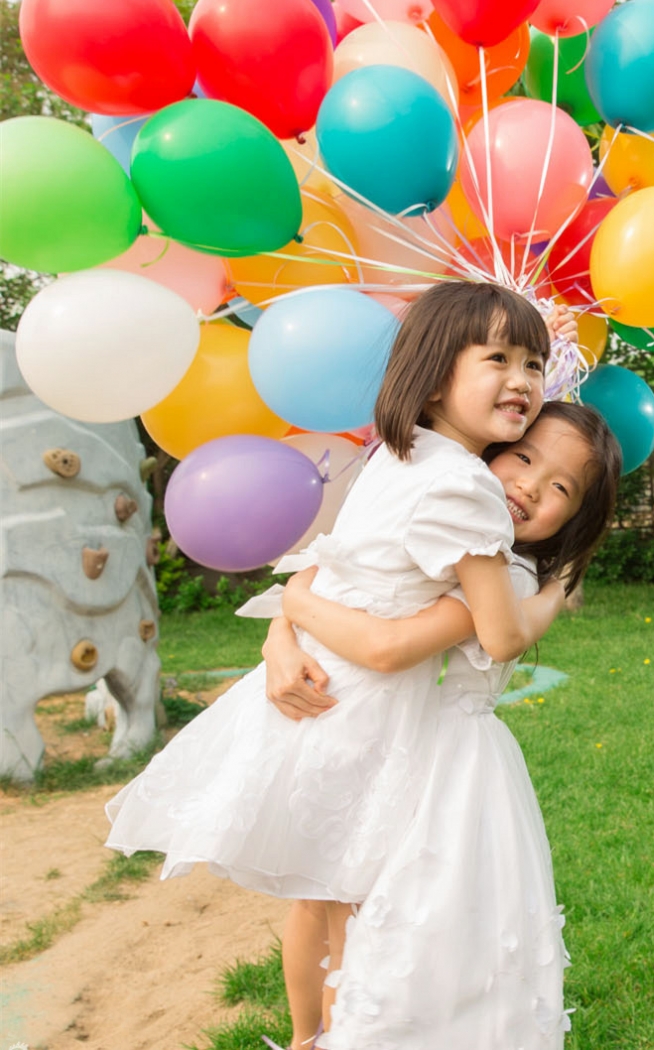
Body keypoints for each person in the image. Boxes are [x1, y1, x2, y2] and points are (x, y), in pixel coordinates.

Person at [105, 281, 566, 1037]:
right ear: (436, 368)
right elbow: (501, 635)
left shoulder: (395, 458)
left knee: (317, 898)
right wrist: (551, 589)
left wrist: (289, 618)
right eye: (499, 358)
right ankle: (347, 1033)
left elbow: (327, 565)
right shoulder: (466, 487)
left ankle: (304, 1036)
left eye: (535, 364)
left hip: (311, 702)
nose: (522, 380)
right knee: (359, 912)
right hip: (368, 725)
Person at [263, 401, 622, 1049]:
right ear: (491, 449)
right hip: (372, 732)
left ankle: (345, 1036)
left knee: (367, 916)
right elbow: (339, 579)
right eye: (523, 457)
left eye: (561, 487)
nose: (531, 486)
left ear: (577, 517)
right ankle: (304, 1036)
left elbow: (386, 646)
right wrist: (280, 630)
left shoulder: (503, 573)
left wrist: (294, 602)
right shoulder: (435, 529)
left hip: (437, 760)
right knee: (321, 898)